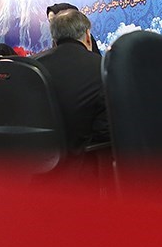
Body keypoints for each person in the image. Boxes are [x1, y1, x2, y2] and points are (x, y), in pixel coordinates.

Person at [32, 9, 109, 159]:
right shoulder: (103, 65)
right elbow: (105, 131)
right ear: (88, 35)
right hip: (84, 163)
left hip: (34, 163)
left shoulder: (31, 65)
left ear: (54, 39)